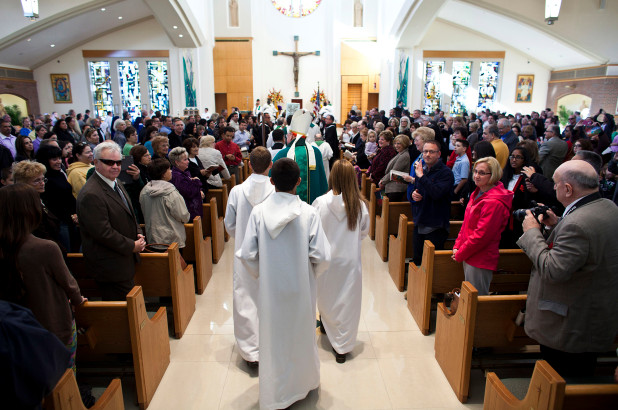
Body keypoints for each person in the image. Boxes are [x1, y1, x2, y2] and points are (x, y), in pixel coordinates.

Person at [237, 158, 330, 410]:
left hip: (271, 292)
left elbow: (246, 255)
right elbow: (322, 256)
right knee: (300, 335)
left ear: (271, 181)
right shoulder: (309, 212)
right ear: (299, 182)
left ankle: (275, 392)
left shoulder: (258, 212)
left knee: (274, 338)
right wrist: (308, 275)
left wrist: (263, 276)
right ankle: (303, 384)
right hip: (300, 290)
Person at [517, 160, 618, 377]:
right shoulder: (608, 207)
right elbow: (586, 249)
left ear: (568, 188)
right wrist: (557, 225)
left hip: (568, 324)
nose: (553, 188)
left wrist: (532, 233)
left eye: (555, 184)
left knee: (562, 379)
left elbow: (553, 270)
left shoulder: (578, 224)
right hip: (593, 313)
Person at [0, 184, 86, 371]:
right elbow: (69, 285)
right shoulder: (44, 248)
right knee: (63, 375)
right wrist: (78, 299)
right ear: (31, 210)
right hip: (50, 323)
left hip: (12, 328)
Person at [313, 160, 368, 363]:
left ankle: (328, 327)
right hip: (349, 261)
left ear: (332, 177)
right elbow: (363, 232)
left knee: (327, 298)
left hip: (326, 261)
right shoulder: (359, 205)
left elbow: (314, 232)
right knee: (347, 302)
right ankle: (342, 346)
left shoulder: (319, 203)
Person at [224, 147, 274, 368]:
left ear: (249, 164)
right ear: (270, 165)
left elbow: (229, 224)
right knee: (269, 297)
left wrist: (243, 238)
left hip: (243, 253)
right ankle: (269, 344)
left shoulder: (236, 191)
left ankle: (250, 351)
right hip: (271, 252)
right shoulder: (276, 191)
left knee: (245, 297)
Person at [77, 141, 145, 301]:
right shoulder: (91, 194)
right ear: (95, 163)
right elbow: (102, 233)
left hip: (124, 259)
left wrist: (138, 234)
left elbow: (130, 213)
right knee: (123, 310)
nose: (115, 166)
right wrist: (131, 245)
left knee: (130, 307)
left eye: (118, 162)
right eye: (109, 162)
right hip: (109, 264)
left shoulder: (116, 181)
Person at [452, 157, 512, 295]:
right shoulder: (477, 192)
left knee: (475, 299)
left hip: (480, 258)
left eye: (482, 173)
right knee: (468, 298)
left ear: (493, 175)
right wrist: (457, 246)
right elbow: (466, 224)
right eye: (475, 171)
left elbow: (482, 235)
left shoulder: (494, 202)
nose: (476, 176)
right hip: (469, 252)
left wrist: (461, 252)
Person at [407, 140, 454, 265]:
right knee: (417, 260)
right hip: (420, 220)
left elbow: (436, 193)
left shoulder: (446, 173)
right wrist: (414, 195)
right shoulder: (422, 170)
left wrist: (422, 177)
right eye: (425, 151)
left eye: (431, 152)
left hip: (435, 224)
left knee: (429, 264)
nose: (427, 154)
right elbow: (418, 190)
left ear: (438, 154)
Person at [272, 110, 328, 204]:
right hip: (313, 206)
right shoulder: (316, 152)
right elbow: (323, 184)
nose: (287, 137)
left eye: (289, 134)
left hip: (286, 206)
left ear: (292, 137)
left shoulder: (282, 154)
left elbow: (272, 179)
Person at [36, 145, 79, 252]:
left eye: (59, 158)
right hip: (59, 223)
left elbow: (69, 196)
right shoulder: (44, 180)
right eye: (54, 159)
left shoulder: (60, 174)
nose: (59, 161)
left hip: (71, 219)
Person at [140, 158, 190, 248]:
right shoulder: (170, 192)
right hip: (172, 240)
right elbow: (183, 215)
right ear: (163, 174)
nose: (171, 171)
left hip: (153, 237)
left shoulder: (144, 191)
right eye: (168, 169)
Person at [169, 146, 204, 220]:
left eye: (187, 159)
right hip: (188, 212)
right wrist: (197, 182)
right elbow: (188, 192)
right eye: (185, 160)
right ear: (177, 162)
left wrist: (199, 190)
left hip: (193, 210)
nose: (188, 161)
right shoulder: (177, 176)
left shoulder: (184, 173)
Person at [378, 134, 411, 201]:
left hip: (396, 188)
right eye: (395, 143)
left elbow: (394, 171)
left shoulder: (404, 155)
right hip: (390, 186)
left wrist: (383, 181)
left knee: (387, 209)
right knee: (380, 203)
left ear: (404, 144)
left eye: (398, 144)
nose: (396, 146)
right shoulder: (400, 153)